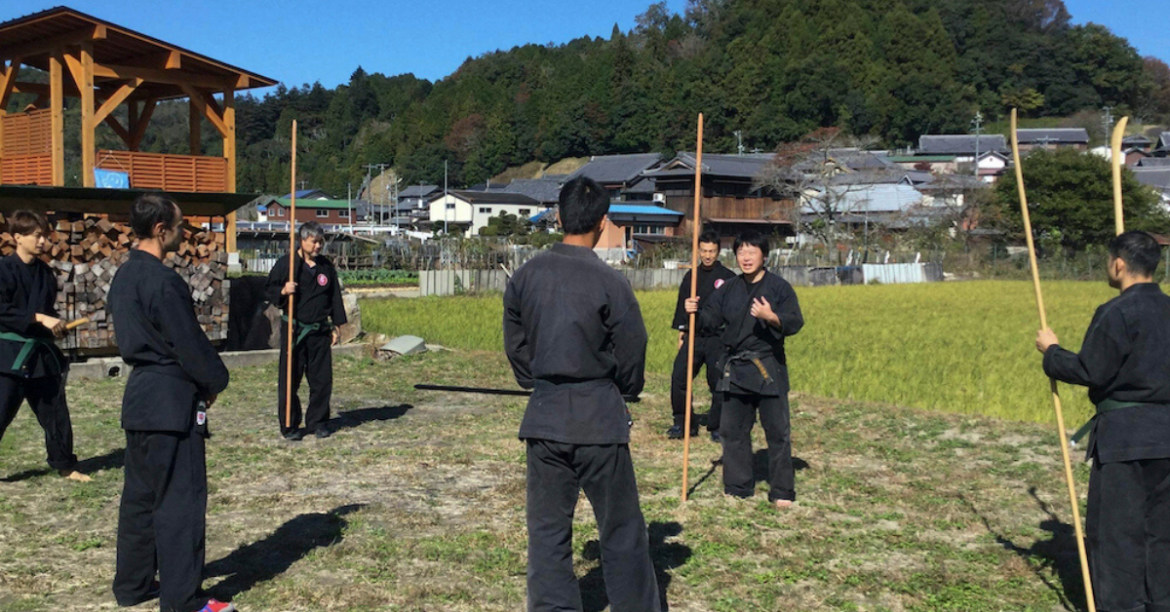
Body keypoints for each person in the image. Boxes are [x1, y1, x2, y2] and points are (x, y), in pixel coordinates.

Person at [504, 176, 660, 612]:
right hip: (600, 420)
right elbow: (633, 347)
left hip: (545, 416)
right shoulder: (611, 282)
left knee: (548, 531)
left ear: (557, 216)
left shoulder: (525, 276)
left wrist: (534, 379)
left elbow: (516, 344)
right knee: (621, 528)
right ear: (602, 222)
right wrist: (625, 388)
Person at [108, 194, 234, 612]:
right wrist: (214, 380)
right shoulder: (163, 281)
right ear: (161, 230)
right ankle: (183, 599)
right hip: (170, 399)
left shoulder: (124, 276)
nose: (184, 234)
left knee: (140, 499)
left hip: (140, 398)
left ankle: (133, 584)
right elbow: (187, 342)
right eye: (179, 227)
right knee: (180, 500)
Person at [1036, 230, 1170, 612]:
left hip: (1125, 439)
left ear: (1119, 264)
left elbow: (1090, 370)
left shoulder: (1116, 312)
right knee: (1162, 530)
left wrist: (1051, 352)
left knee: (1117, 533)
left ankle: (1122, 606)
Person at [685, 230, 804, 510]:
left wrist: (771, 317)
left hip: (767, 367)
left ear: (764, 256)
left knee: (777, 432)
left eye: (752, 252)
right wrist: (695, 312)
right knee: (732, 430)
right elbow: (710, 319)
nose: (746, 257)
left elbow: (795, 321)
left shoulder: (779, 287)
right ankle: (738, 486)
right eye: (741, 252)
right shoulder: (728, 288)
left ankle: (782, 490)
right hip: (736, 367)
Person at [0, 210, 88, 482]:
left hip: (40, 355)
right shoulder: (3, 270)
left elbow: (46, 313)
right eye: (36, 236)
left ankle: (65, 465)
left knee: (56, 413)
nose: (42, 242)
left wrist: (55, 327)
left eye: (44, 236)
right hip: (8, 357)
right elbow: (3, 311)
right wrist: (38, 318)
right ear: (17, 237)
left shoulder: (46, 273)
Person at [265, 221, 346, 440]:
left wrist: (336, 326)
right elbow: (269, 289)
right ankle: (290, 425)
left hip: (319, 331)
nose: (318, 246)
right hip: (294, 330)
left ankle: (318, 422)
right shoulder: (288, 264)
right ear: (302, 241)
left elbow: (334, 297)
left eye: (321, 242)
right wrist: (283, 290)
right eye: (314, 242)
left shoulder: (325, 267)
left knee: (322, 380)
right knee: (290, 379)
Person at [668, 229, 735, 441]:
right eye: (704, 251)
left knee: (718, 382)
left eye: (711, 251)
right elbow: (682, 307)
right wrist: (682, 331)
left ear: (718, 251)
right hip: (694, 336)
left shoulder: (728, 278)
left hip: (718, 338)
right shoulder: (691, 276)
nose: (707, 255)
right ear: (698, 251)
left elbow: (734, 312)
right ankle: (683, 422)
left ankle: (717, 426)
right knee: (679, 378)